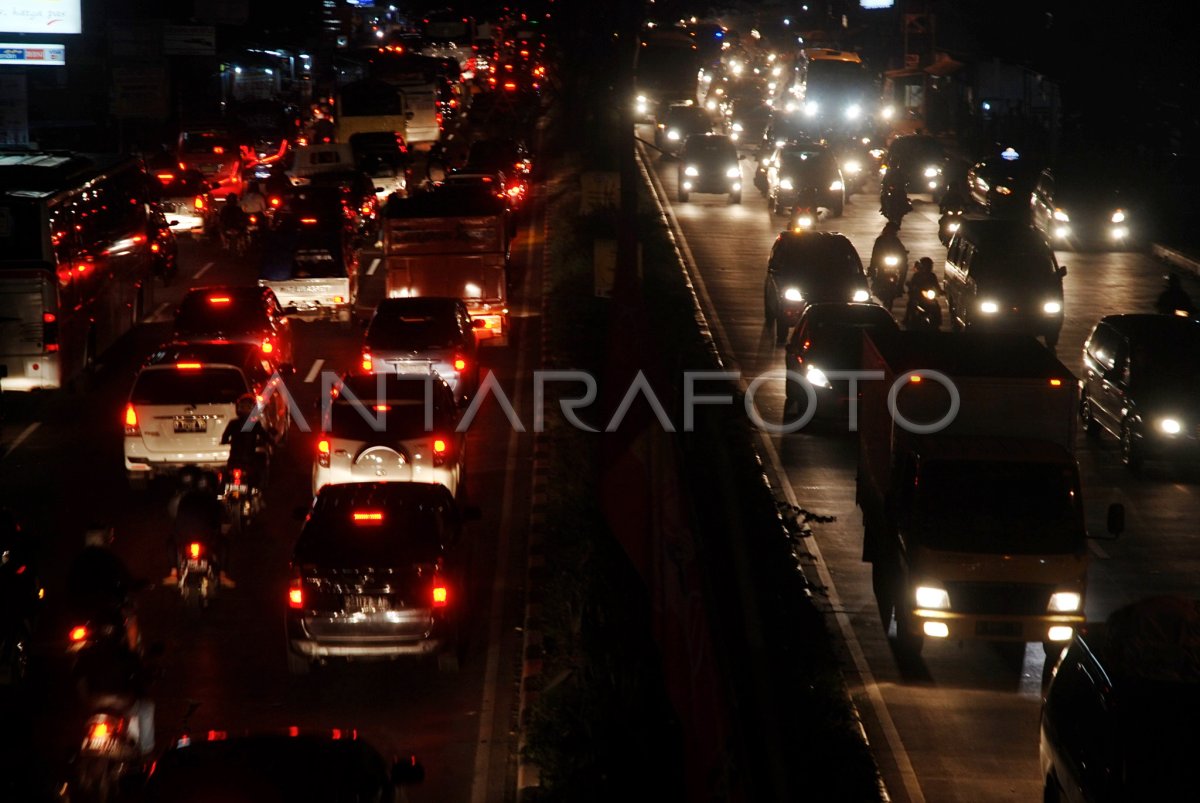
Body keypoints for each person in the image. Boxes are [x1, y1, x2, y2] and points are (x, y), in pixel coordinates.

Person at [65, 526, 139, 652]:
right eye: (109, 537)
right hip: (107, 607)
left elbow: (70, 585)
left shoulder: (78, 560)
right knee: (130, 619)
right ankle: (134, 654)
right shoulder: (109, 558)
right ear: (104, 539)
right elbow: (126, 578)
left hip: (83, 610)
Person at [164, 469, 233, 588]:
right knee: (224, 543)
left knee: (171, 542)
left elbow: (177, 517)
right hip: (206, 537)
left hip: (183, 537)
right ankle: (222, 575)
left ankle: (173, 573)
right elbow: (219, 520)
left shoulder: (185, 498)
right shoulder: (213, 501)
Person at [221, 393, 272, 490]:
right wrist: (271, 442)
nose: (244, 409)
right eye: (243, 407)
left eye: (247, 407)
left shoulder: (233, 423)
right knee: (258, 476)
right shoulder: (254, 424)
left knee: (225, 478)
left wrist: (224, 441)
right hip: (248, 460)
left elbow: (225, 437)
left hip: (235, 460)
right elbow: (265, 436)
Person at [905, 257, 940, 322]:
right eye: (926, 265)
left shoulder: (932, 276)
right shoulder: (917, 275)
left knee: (936, 305)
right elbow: (912, 284)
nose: (928, 267)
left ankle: (937, 321)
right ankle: (906, 318)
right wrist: (912, 287)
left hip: (928, 296)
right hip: (918, 296)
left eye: (929, 265)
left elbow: (936, 286)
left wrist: (940, 291)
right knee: (911, 303)